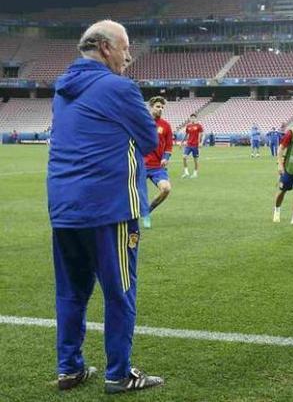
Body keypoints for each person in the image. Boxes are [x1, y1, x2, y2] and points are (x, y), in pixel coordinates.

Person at [47, 20, 164, 393]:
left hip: (64, 207)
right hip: (108, 208)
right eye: (125, 47)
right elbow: (149, 140)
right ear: (104, 47)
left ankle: (70, 368)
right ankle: (118, 373)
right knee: (120, 292)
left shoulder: (62, 88)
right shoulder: (119, 88)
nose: (129, 56)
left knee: (70, 292)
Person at [142, 96, 173, 230]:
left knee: (166, 189)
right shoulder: (142, 122)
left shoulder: (165, 125)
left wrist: (166, 157)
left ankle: (147, 212)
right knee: (131, 191)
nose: (160, 109)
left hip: (157, 167)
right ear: (151, 107)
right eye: (157, 107)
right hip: (140, 164)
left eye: (162, 107)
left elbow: (169, 146)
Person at [180, 114, 203, 179]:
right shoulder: (188, 126)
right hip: (188, 144)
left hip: (195, 145)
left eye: (194, 118)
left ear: (196, 119)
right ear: (190, 119)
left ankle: (195, 173)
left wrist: (200, 143)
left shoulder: (199, 126)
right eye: (191, 118)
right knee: (184, 157)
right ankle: (186, 172)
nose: (192, 119)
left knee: (195, 160)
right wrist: (182, 142)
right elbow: (186, 134)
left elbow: (201, 134)